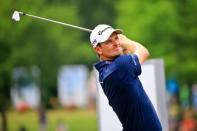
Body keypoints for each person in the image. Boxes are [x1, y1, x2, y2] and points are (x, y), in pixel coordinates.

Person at [90, 24, 162, 131]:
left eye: (116, 38)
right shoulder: (120, 66)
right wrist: (126, 41)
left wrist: (121, 47)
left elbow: (126, 60)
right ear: (98, 50)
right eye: (109, 41)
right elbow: (144, 52)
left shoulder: (107, 70)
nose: (116, 43)